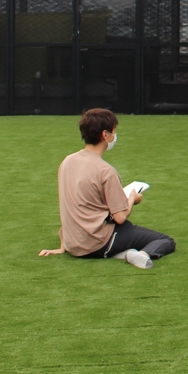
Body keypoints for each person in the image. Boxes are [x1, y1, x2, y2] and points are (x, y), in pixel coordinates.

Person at [39, 108, 175, 269]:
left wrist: (64, 246)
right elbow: (120, 218)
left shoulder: (67, 162)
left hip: (72, 243)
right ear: (105, 135)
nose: (115, 136)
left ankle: (122, 252)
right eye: (114, 132)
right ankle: (142, 255)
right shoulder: (106, 171)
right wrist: (132, 199)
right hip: (97, 242)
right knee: (165, 241)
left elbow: (72, 201)